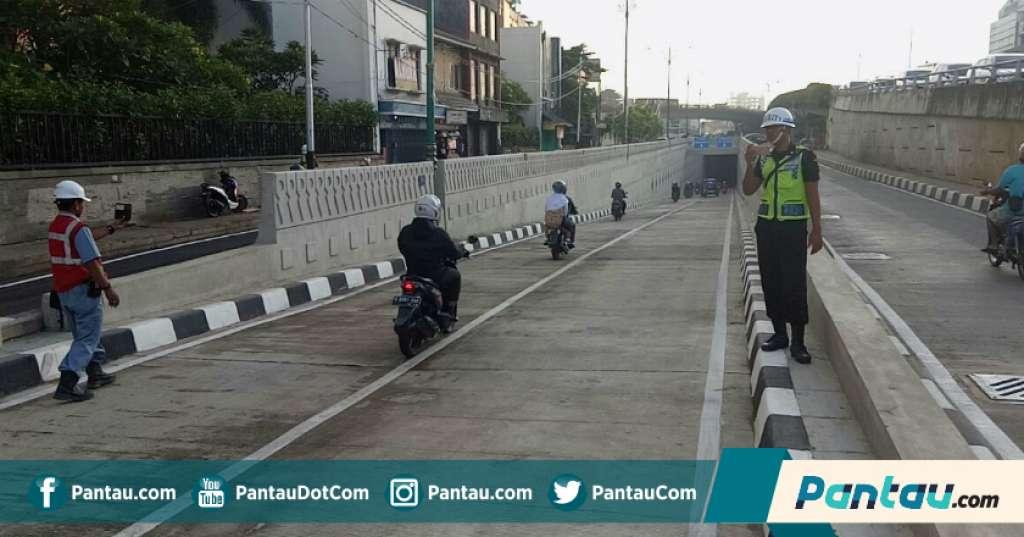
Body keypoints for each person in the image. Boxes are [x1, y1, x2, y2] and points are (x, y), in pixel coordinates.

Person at [742, 107, 824, 365]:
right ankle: (779, 334)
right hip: (767, 228)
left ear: (786, 130)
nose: (769, 132)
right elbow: (748, 189)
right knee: (771, 281)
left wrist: (817, 229)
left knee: (794, 283)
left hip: (793, 229)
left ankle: (798, 341)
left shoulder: (804, 158)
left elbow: (812, 195)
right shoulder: (764, 160)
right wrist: (749, 163)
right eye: (767, 128)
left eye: (774, 128)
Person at [48, 180, 127, 402]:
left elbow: (84, 239)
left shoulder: (57, 226)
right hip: (83, 290)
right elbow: (92, 262)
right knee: (87, 338)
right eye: (82, 203)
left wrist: (111, 228)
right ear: (75, 204)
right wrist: (108, 289)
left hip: (64, 291)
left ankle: (95, 372)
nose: (83, 206)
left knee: (85, 334)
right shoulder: (77, 228)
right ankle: (67, 383)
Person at [397, 195, 467, 332]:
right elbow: (453, 252)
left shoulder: (405, 231)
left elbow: (402, 247)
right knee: (455, 276)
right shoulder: (438, 233)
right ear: (434, 211)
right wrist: (461, 252)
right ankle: (448, 312)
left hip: (412, 275)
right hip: (435, 275)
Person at [981, 141, 1024, 254]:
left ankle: (994, 245)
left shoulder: (1012, 170)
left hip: (1015, 209)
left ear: (1020, 155)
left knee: (991, 217)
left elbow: (999, 189)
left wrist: (987, 191)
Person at [545, 180, 578, 247]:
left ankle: (548, 238)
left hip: (549, 219)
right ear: (564, 189)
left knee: (548, 227)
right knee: (572, 225)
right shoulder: (565, 198)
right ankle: (570, 241)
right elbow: (565, 211)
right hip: (560, 219)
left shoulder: (549, 198)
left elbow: (546, 209)